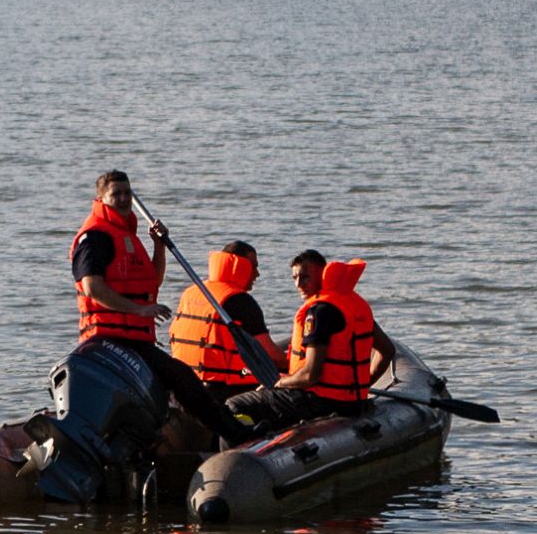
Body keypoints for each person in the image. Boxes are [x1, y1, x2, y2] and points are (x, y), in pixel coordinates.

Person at [70, 170, 246, 444]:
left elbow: (153, 281)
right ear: (101, 198)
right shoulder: (95, 237)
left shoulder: (125, 233)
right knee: (181, 377)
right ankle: (235, 434)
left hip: (135, 337)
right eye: (116, 194)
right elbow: (92, 286)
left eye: (127, 192)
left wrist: (158, 247)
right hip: (109, 337)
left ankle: (218, 433)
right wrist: (137, 310)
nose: (124, 198)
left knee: (176, 380)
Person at [224, 249, 396, 439]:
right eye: (295, 278)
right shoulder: (354, 304)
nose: (299, 284)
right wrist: (362, 387)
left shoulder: (319, 312)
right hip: (351, 401)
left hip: (318, 401)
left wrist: (279, 383)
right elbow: (387, 351)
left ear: (323, 275)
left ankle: (240, 454)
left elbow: (310, 375)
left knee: (234, 405)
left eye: (305, 277)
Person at [167, 240, 283, 403]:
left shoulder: (193, 292)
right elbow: (271, 354)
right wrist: (295, 365)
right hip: (225, 389)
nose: (257, 274)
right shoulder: (240, 301)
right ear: (240, 267)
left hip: (189, 381)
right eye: (254, 267)